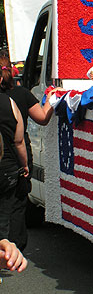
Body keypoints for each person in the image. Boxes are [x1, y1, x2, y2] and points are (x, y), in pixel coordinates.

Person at [0, 57, 60, 251]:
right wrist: (51, 99)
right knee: (17, 204)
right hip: (16, 158)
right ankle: (14, 247)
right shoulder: (21, 95)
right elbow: (42, 118)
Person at [0, 91, 28, 247]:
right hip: (7, 168)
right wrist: (24, 164)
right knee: (4, 215)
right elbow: (19, 141)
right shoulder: (9, 102)